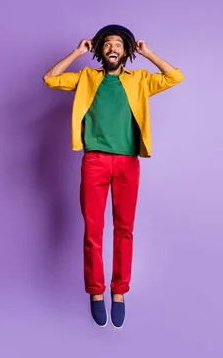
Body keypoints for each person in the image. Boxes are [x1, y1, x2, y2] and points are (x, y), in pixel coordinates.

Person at [42, 24, 184, 328]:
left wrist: (147, 53)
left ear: (126, 50)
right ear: (100, 50)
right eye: (107, 44)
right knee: (93, 232)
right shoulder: (86, 78)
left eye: (118, 44)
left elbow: (175, 76)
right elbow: (50, 79)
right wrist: (77, 52)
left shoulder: (141, 80)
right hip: (94, 161)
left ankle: (119, 292)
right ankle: (96, 292)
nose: (112, 49)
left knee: (125, 229)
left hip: (128, 164)